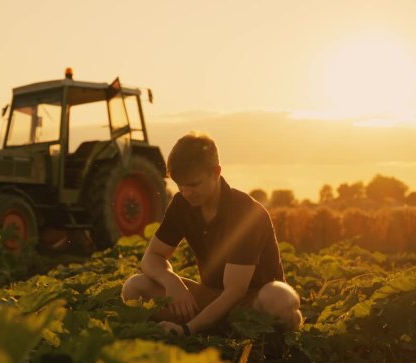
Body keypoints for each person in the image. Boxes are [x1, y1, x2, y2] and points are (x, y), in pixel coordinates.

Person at [121, 132, 302, 335]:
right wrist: (171, 281)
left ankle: (210, 328)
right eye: (180, 185)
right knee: (135, 287)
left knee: (278, 299)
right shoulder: (182, 204)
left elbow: (235, 291)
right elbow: (151, 257)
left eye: (193, 184)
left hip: (254, 303)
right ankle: (214, 327)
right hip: (211, 297)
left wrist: (187, 330)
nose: (185, 192)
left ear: (215, 172)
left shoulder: (246, 212)